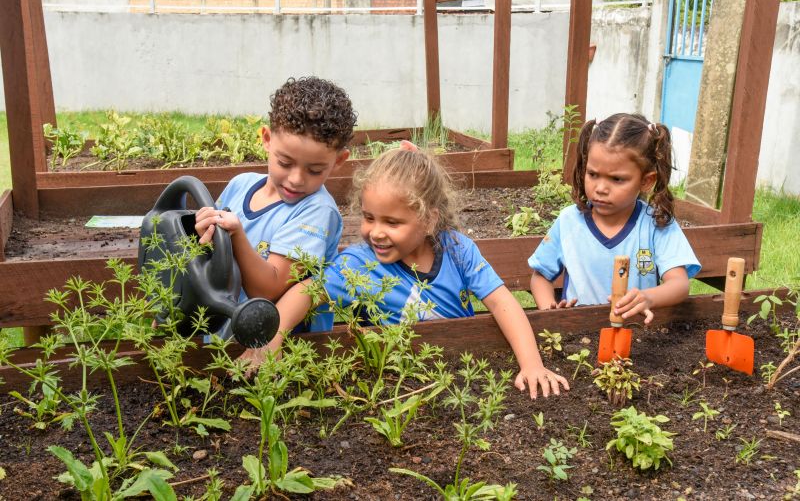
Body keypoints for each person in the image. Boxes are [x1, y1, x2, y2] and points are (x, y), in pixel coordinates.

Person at [245, 143, 569, 399]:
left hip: (465, 370)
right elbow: (307, 290)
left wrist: (531, 365)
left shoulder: (456, 249)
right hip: (399, 384)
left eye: (393, 222)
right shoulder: (361, 264)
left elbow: (502, 302)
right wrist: (270, 341)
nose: (376, 232)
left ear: (429, 220)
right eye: (369, 217)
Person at [194, 76, 357, 341]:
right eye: (284, 162)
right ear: (267, 139)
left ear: (339, 161)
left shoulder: (316, 211)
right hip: (221, 342)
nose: (296, 179)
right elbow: (206, 258)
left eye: (315, 170)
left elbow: (267, 291)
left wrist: (236, 236)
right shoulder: (240, 185)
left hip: (281, 356)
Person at [528, 113, 701, 324]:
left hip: (637, 336)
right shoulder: (569, 222)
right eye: (593, 174)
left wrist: (648, 298)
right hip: (577, 339)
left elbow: (679, 284)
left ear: (646, 181)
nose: (600, 188)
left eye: (617, 179)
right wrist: (552, 314)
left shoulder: (656, 224)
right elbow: (540, 277)